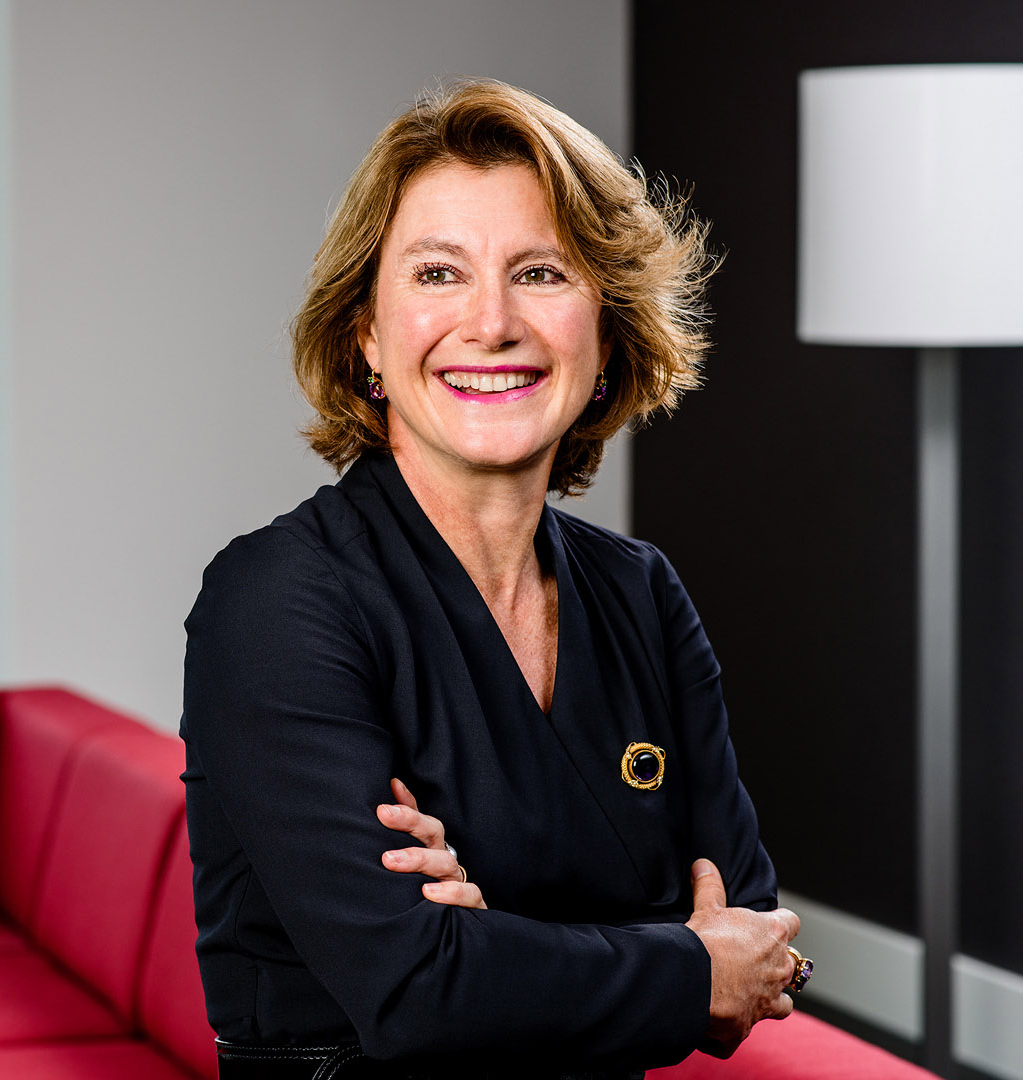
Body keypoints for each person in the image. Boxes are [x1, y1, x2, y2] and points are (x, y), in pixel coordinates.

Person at [181, 79, 808, 1080]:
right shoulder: (275, 601)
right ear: (367, 337)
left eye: (541, 274)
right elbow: (418, 994)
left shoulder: (641, 591)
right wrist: (679, 964)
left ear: (605, 336)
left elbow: (747, 926)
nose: (490, 322)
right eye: (437, 274)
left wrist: (496, 941)